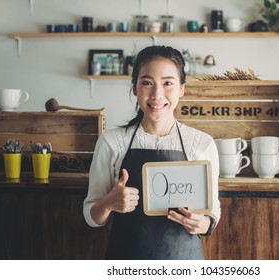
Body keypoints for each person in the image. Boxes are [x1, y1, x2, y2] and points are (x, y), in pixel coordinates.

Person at [83, 45, 220, 260]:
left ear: (182, 89)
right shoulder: (111, 142)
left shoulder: (202, 144)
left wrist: (203, 223)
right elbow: (91, 215)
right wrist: (108, 203)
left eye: (168, 83)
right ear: (135, 88)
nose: (157, 95)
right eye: (147, 83)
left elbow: (213, 209)